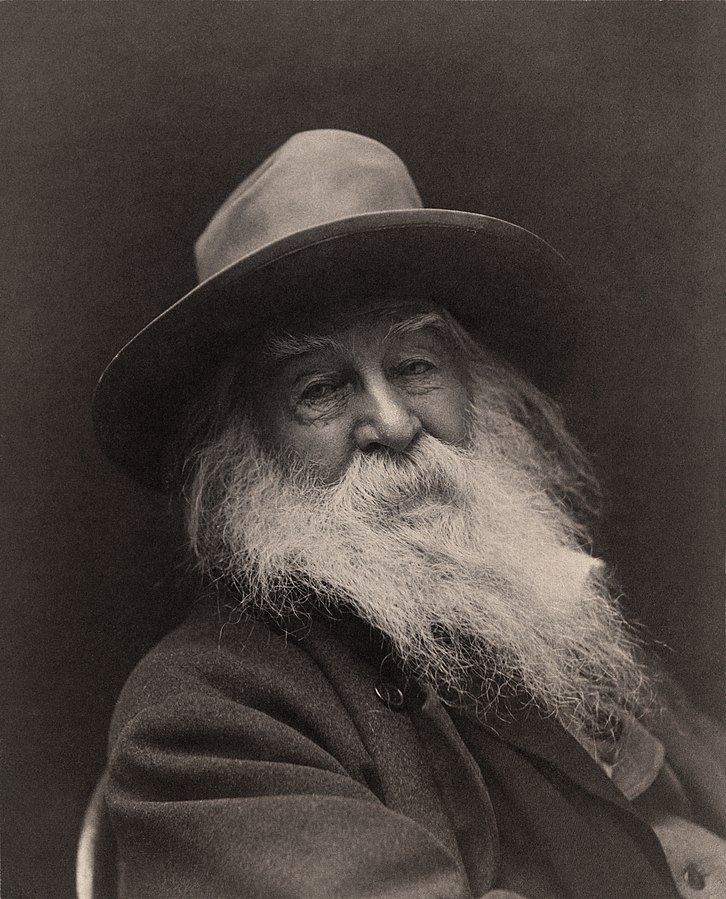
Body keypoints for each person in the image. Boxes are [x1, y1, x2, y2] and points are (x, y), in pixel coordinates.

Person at [93, 130, 726, 898]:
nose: (393, 423)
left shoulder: (548, 621)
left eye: (415, 365)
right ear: (243, 447)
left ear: (474, 387)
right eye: (320, 389)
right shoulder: (201, 716)